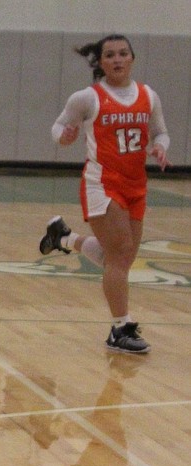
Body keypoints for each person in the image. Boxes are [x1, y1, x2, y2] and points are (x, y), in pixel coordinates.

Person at [38, 34, 170, 355]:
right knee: (122, 252)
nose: (117, 59)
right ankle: (119, 327)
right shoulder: (87, 98)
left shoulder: (148, 96)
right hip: (102, 183)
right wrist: (65, 136)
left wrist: (160, 147)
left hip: (136, 184)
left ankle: (64, 239)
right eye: (110, 55)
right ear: (101, 63)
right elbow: (58, 127)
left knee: (121, 259)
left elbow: (161, 131)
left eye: (123, 53)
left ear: (132, 58)